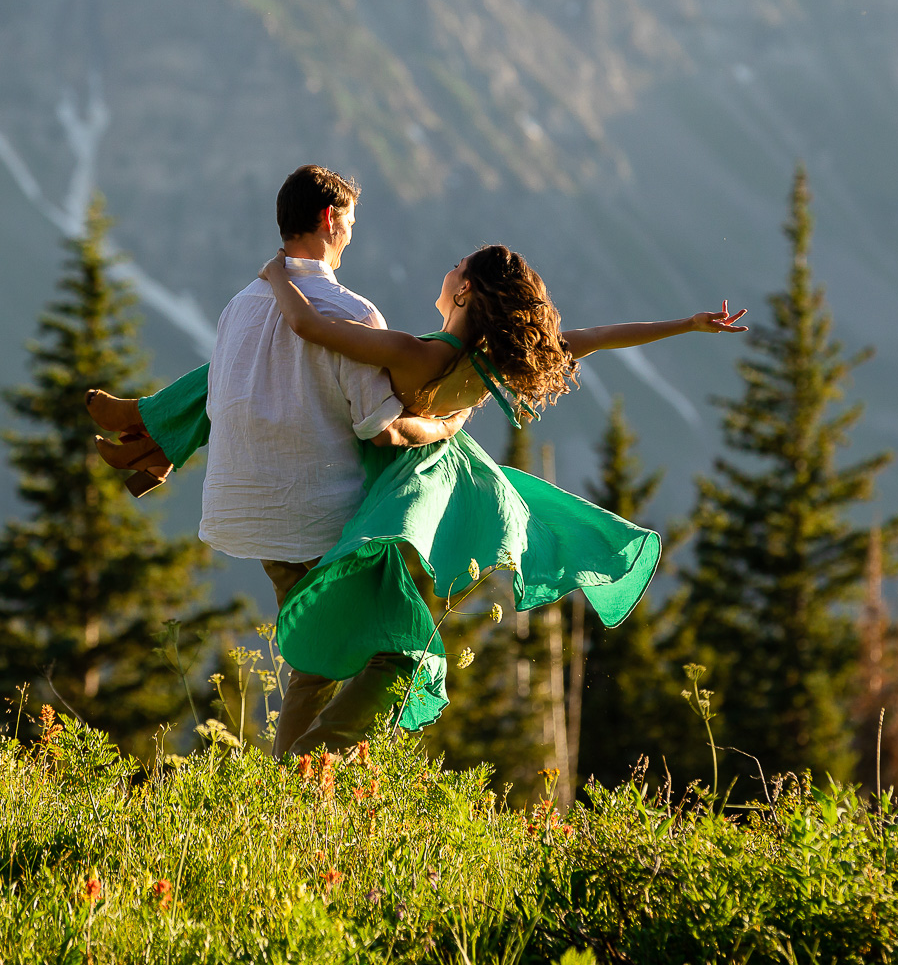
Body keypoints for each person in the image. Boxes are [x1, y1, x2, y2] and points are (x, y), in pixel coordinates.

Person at [90, 171, 749, 750]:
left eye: (457, 266)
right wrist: (684, 325)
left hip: (408, 490)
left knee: (380, 652)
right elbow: (594, 338)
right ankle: (308, 770)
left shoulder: (417, 352)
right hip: (450, 493)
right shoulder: (488, 357)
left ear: (463, 294)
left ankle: (312, 761)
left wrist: (276, 279)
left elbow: (313, 331)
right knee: (363, 650)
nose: (449, 266)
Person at [92, 165, 467, 757]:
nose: (350, 235)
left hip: (258, 522)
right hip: (325, 522)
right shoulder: (352, 311)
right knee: (408, 653)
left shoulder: (240, 305)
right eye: (348, 222)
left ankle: (289, 803)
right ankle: (310, 767)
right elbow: (380, 430)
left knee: (314, 665)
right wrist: (446, 424)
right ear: (327, 219)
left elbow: (222, 397)